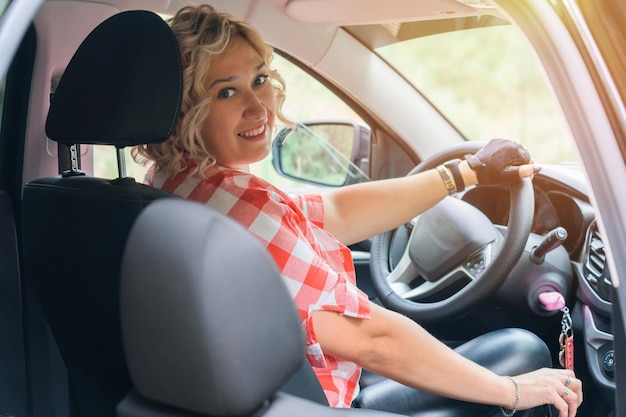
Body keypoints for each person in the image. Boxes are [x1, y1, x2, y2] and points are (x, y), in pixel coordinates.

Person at [133, 4, 583, 417]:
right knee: (522, 353)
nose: (258, 107)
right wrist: (514, 392)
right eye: (226, 93)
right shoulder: (239, 210)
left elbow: (335, 210)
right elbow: (372, 339)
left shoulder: (176, 183)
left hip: (276, 389)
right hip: (316, 402)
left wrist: (464, 174)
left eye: (259, 79)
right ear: (184, 109)